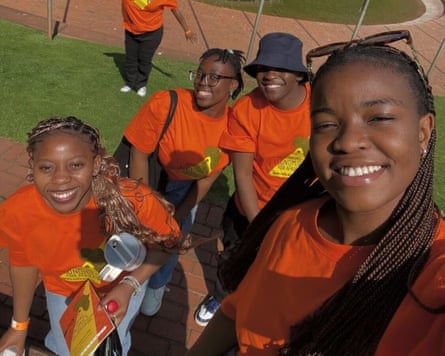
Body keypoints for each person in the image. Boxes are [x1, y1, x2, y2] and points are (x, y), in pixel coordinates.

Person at [186, 30, 445, 355]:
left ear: (423, 133)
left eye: (379, 118)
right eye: (325, 124)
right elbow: (238, 308)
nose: (348, 141)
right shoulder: (292, 224)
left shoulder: (431, 269)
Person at [0, 116, 185, 356]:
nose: (60, 179)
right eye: (47, 167)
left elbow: (169, 242)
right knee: (68, 345)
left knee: (111, 348)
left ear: (95, 164)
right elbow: (23, 261)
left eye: (76, 165)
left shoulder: (132, 199)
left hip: (120, 290)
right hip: (62, 291)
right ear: (32, 165)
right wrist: (19, 325)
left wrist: (130, 284)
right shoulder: (19, 211)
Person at [194, 32, 311, 327]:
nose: (270, 76)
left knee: (280, 271)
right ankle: (221, 298)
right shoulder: (248, 109)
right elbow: (242, 174)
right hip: (251, 210)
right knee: (233, 260)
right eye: (263, 69)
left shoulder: (320, 105)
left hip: (299, 216)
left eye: (280, 68)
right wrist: (258, 226)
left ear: (298, 75)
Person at [123, 48, 245, 316]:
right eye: (200, 74)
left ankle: (156, 285)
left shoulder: (235, 125)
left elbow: (209, 176)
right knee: (137, 235)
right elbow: (140, 153)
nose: (203, 82)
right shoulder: (167, 103)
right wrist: (145, 207)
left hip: (186, 188)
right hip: (151, 180)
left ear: (233, 85)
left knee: (172, 239)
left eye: (214, 77)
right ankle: (127, 283)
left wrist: (177, 215)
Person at [120, 0, 198, 97]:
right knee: (131, 58)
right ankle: (130, 83)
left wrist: (187, 31)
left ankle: (141, 84)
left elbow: (175, 10)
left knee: (144, 59)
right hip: (131, 30)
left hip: (151, 33)